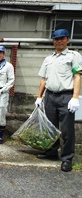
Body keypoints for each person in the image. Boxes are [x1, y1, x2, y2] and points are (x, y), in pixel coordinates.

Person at [35, 29, 82, 172]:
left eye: (62, 38)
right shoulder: (48, 59)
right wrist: (39, 96)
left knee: (66, 130)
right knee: (51, 127)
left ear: (67, 40)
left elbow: (78, 76)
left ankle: (67, 158)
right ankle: (51, 152)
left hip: (65, 96)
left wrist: (75, 97)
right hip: (50, 96)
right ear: (53, 41)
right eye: (56, 39)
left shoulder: (74, 55)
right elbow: (43, 79)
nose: (59, 41)